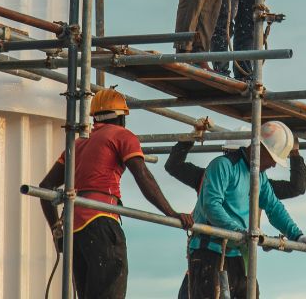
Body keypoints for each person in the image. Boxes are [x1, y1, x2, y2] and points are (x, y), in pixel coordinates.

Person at [38, 88, 194, 299]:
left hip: (74, 230)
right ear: (121, 117)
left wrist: (57, 229)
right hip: (101, 220)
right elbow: (142, 176)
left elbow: (45, 187)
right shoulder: (122, 136)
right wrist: (171, 212)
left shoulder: (76, 145)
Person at [186, 121, 306, 299]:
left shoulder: (259, 177)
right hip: (209, 252)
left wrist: (297, 235)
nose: (273, 165)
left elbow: (274, 207)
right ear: (260, 148)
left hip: (237, 254)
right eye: (273, 159)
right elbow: (211, 205)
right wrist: (238, 232)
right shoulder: (223, 166)